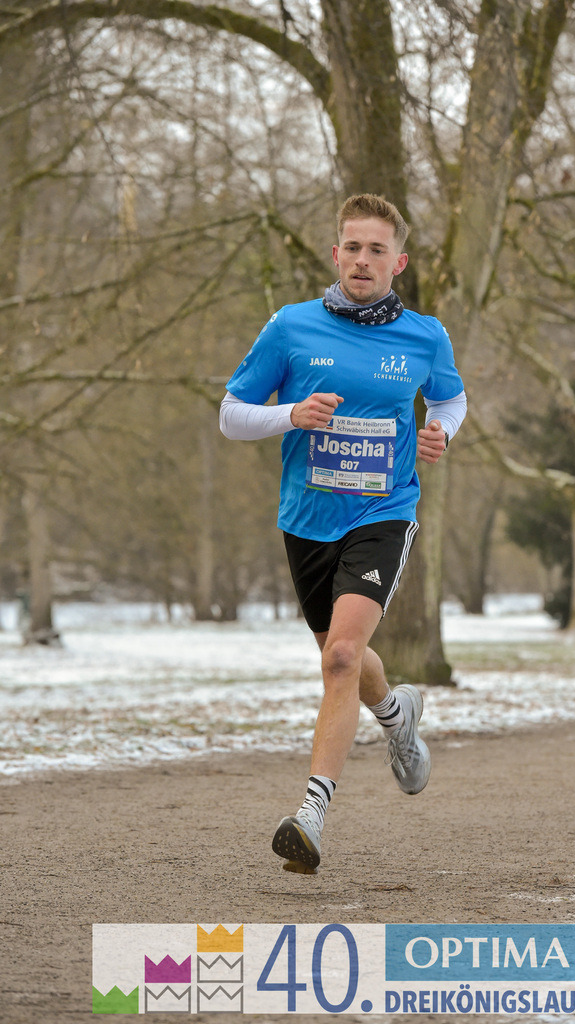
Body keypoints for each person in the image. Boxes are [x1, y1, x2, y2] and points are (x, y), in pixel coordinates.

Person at [220, 193, 466, 873]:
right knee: (344, 655)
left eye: (377, 250)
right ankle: (396, 716)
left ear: (399, 262)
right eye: (352, 247)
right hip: (306, 519)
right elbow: (232, 415)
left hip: (383, 511)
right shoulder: (291, 328)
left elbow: (449, 396)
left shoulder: (425, 335)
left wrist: (443, 430)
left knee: (338, 658)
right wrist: (292, 415)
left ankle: (311, 816)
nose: (363, 260)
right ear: (336, 254)